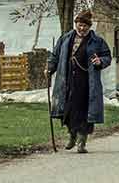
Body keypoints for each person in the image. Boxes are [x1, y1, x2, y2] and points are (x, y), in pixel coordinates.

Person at [45, 10, 112, 153]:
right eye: (80, 25)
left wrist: (100, 61)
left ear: (90, 27)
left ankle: (82, 142)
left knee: (84, 111)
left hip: (87, 82)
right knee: (68, 111)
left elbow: (107, 56)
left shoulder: (97, 41)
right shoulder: (65, 38)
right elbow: (55, 56)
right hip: (68, 80)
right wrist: (50, 68)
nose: (82, 29)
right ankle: (72, 135)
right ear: (76, 24)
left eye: (85, 26)